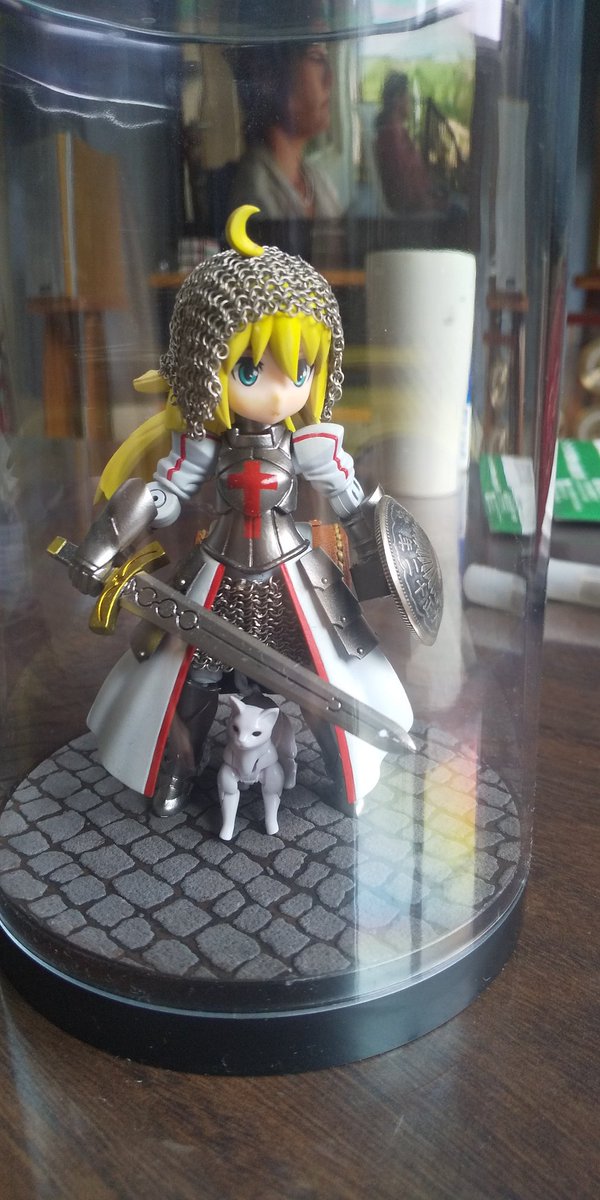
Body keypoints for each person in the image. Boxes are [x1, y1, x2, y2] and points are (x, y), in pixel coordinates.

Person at [67, 207, 422, 823]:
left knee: (321, 684)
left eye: (300, 370)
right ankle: (178, 765)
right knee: (191, 680)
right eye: (251, 371)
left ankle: (345, 770)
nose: (280, 390)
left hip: (296, 575)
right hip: (219, 571)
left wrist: (357, 507)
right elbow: (165, 494)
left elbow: (357, 511)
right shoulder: (203, 444)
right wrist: (106, 541)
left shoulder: (311, 445)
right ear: (208, 366)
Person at [229, 44, 341, 219]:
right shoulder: (254, 197)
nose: (330, 78)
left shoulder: (318, 182)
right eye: (316, 57)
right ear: (269, 77)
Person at [374, 71, 434, 215]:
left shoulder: (398, 131)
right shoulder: (391, 136)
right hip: (414, 210)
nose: (410, 102)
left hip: (421, 201)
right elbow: (403, 187)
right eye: (408, 96)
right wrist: (430, 201)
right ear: (397, 99)